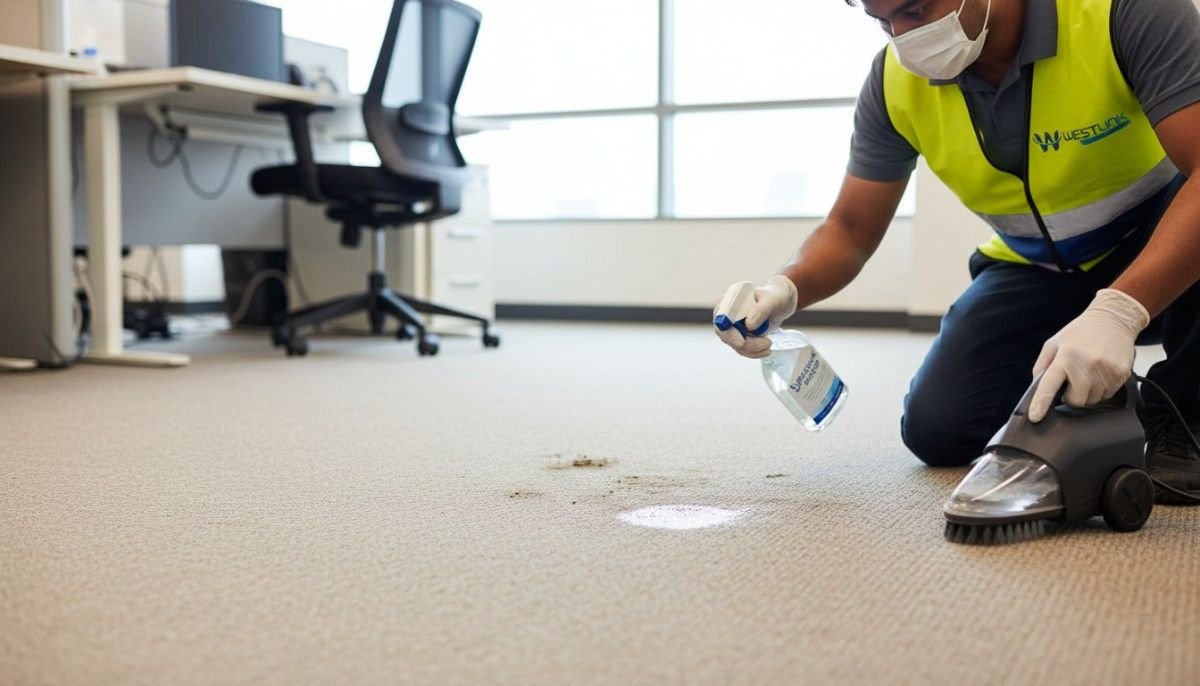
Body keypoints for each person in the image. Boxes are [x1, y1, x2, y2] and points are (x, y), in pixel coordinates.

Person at [713, 0, 1200, 503]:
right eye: (883, 22)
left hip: (1165, 245)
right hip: (1035, 265)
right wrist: (784, 289)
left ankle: (1187, 411)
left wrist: (1119, 311)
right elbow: (851, 229)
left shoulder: (1126, 12)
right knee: (939, 430)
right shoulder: (893, 83)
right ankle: (1108, 400)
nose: (902, 38)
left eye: (916, 11)